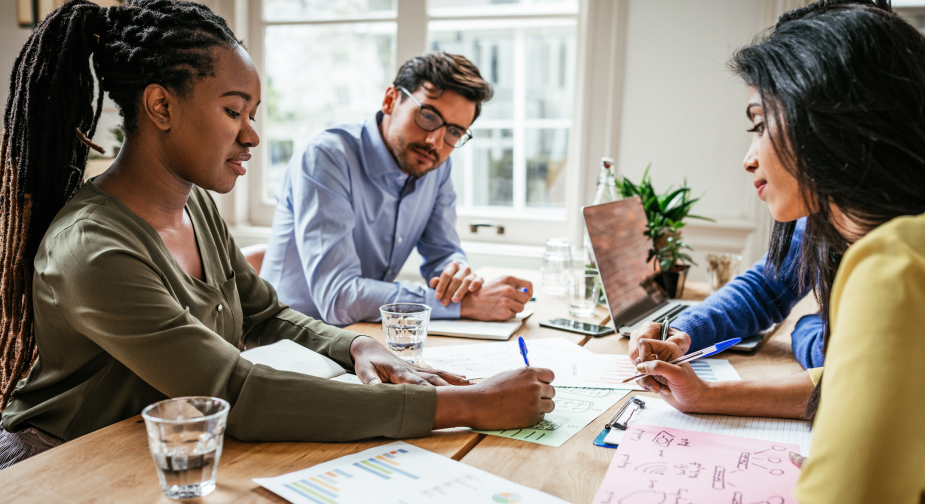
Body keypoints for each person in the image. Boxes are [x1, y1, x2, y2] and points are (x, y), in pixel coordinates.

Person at [0, 0, 554, 470]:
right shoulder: (95, 247)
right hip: (62, 461)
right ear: (160, 105)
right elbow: (235, 394)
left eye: (254, 113)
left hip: (162, 450)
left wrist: (357, 344)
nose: (253, 135)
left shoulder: (198, 210)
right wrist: (470, 405)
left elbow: (264, 314)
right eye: (233, 111)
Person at [630, 1, 925, 502]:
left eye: (760, 124)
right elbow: (833, 369)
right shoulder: (923, 234)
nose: (748, 157)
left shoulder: (898, 263)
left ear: (827, 119)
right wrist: (710, 390)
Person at [259, 52, 532, 327]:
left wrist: (456, 277)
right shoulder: (325, 158)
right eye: (427, 116)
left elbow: (442, 251)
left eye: (454, 133)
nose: (435, 141)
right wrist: (464, 304)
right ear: (390, 100)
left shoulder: (434, 167)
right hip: (290, 343)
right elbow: (339, 298)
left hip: (360, 338)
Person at [631, 218, 825, 369]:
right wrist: (681, 331)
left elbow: (829, 354)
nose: (748, 164)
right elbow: (764, 290)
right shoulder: (815, 218)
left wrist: (806, 325)